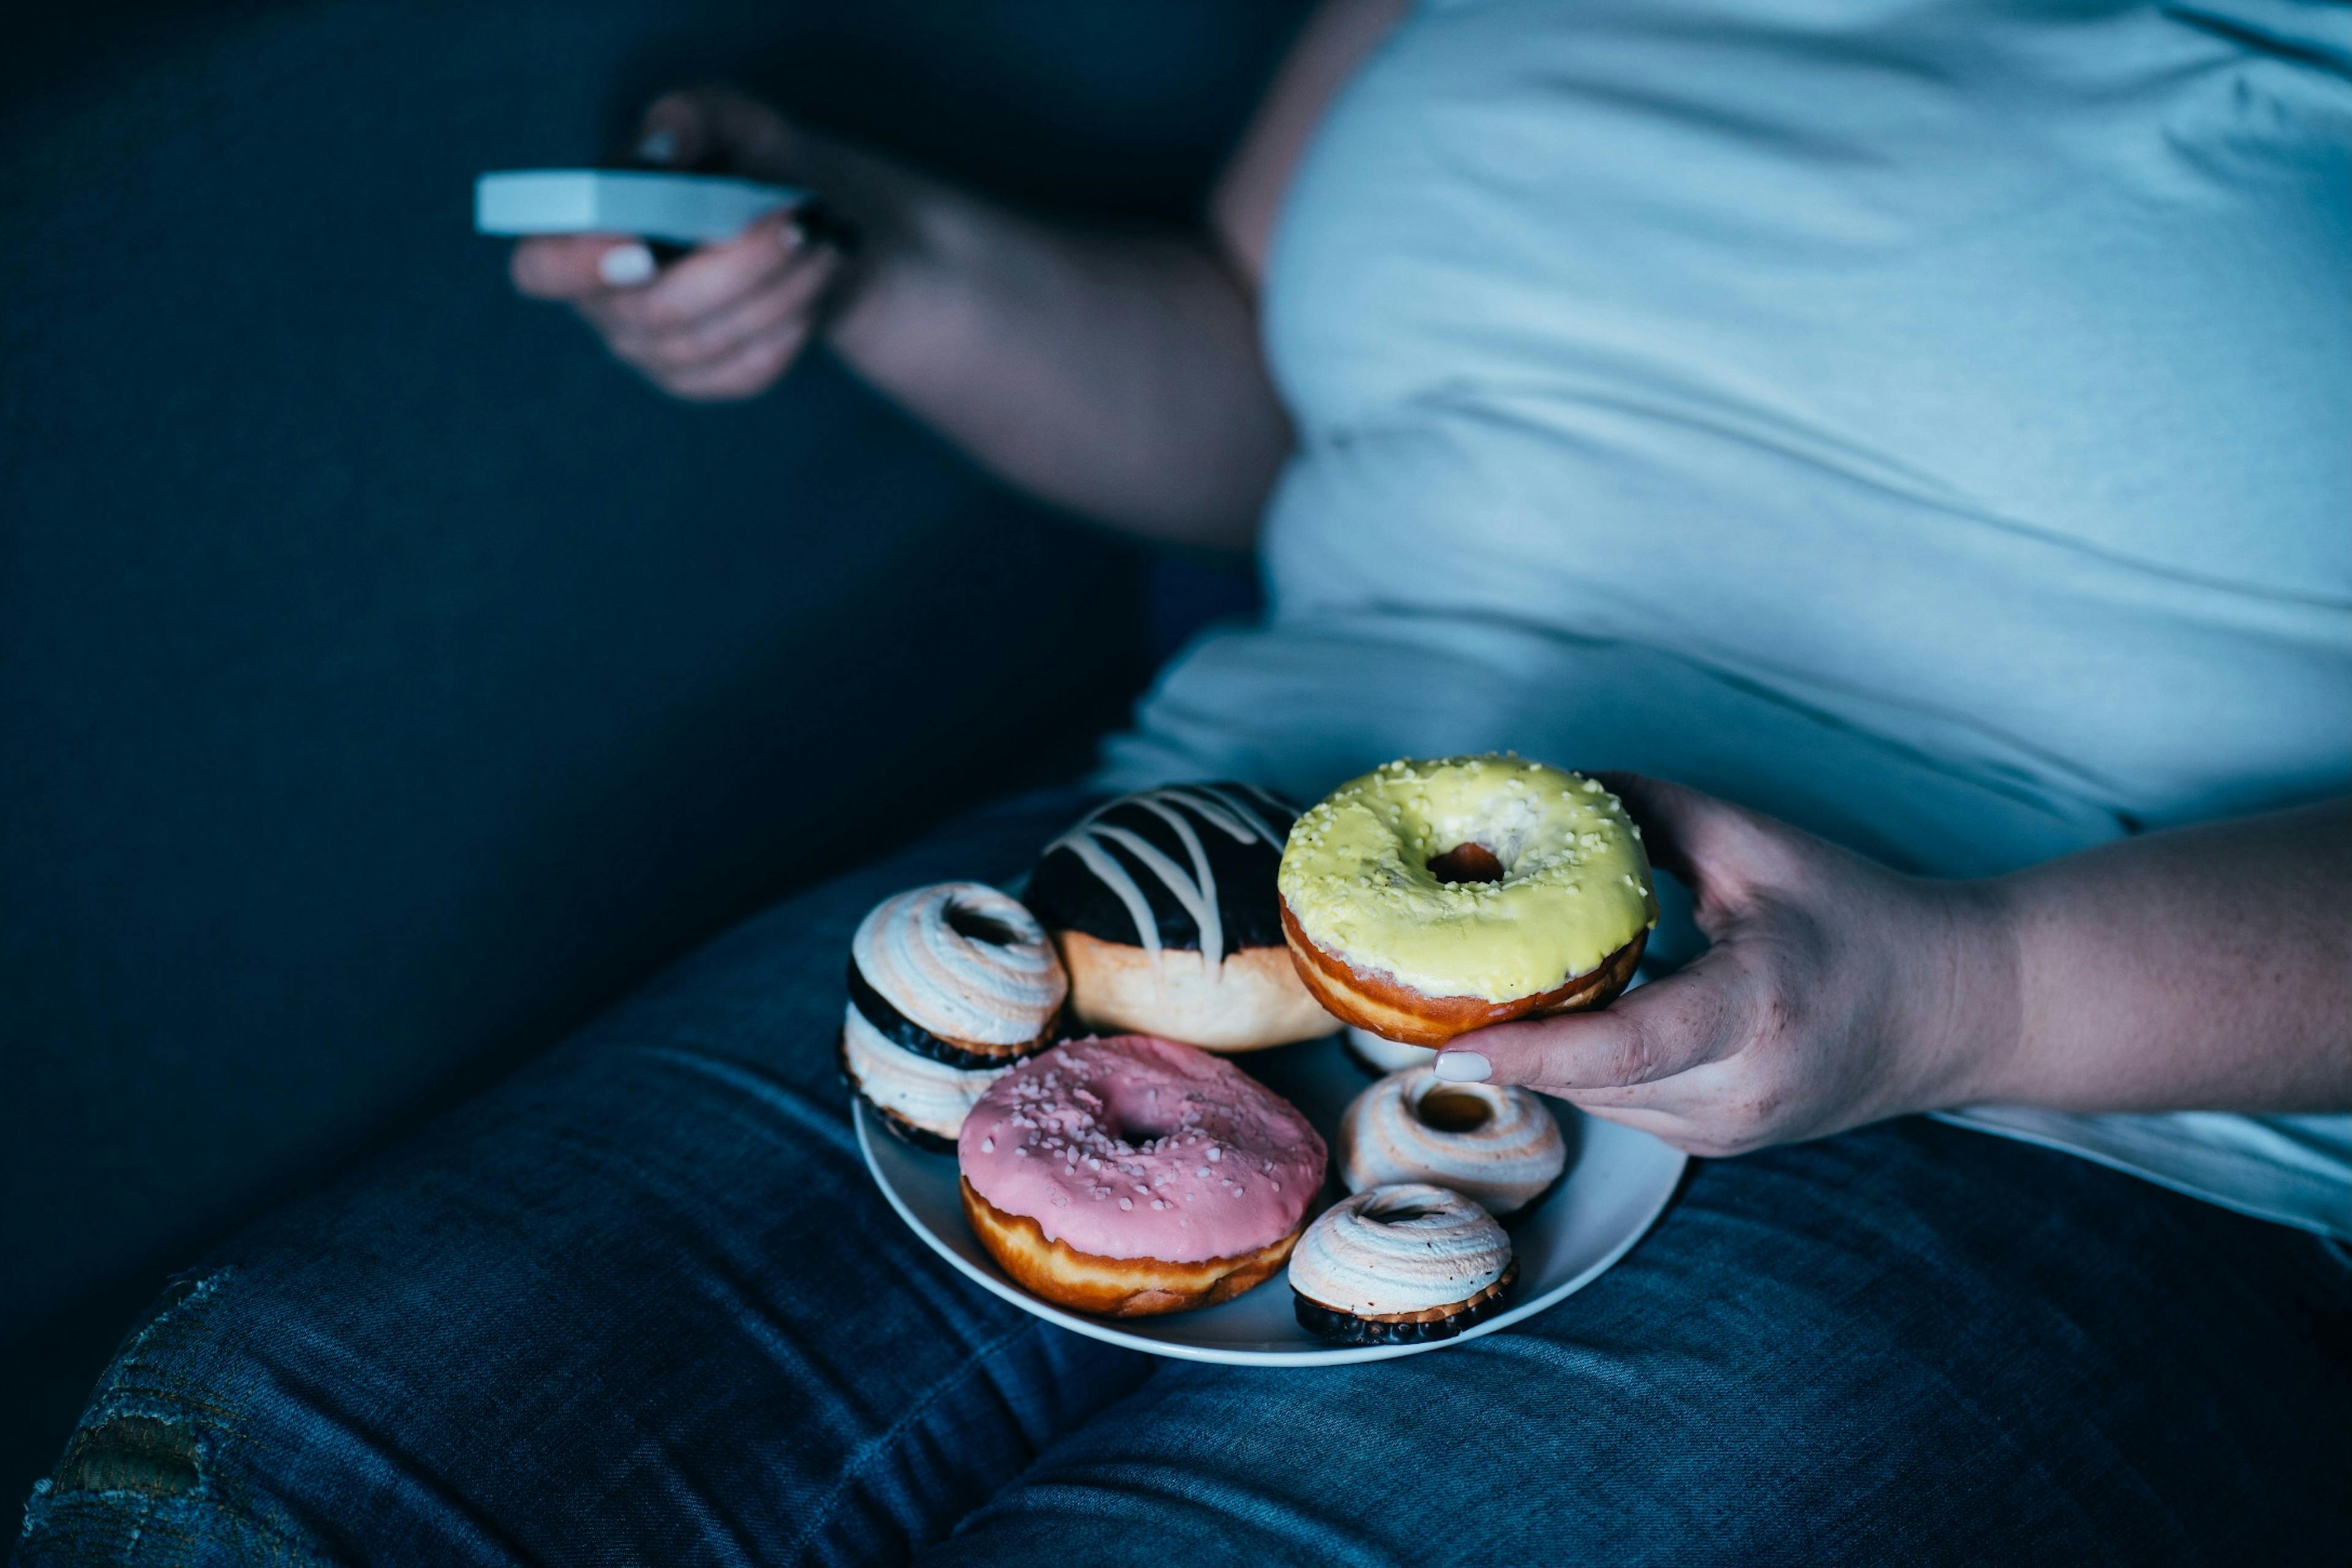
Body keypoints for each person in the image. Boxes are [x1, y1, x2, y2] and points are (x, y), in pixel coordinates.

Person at [22, 0, 2348, 1561]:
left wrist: (1985, 988)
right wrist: (874, 258)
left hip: (2055, 1112)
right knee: (275, 1463)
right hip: (1175, 889)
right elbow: (1256, 374)